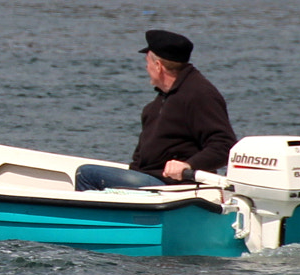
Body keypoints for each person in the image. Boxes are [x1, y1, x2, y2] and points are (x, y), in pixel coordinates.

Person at [73, 29, 237, 191]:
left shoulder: (199, 94)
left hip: (171, 186)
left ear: (158, 66)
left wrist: (188, 165)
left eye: (147, 63)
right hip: (149, 178)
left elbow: (224, 145)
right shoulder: (161, 100)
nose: (146, 68)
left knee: (87, 174)